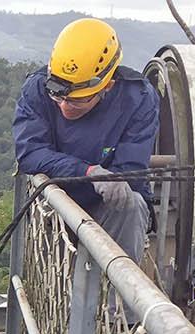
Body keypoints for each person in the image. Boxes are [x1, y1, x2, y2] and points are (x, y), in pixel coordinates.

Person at [12, 17, 159, 262]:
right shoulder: (37, 89)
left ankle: (120, 298)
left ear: (107, 86)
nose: (65, 106)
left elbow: (131, 171)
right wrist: (88, 171)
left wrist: (108, 180)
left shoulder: (138, 98)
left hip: (110, 207)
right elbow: (31, 153)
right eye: (58, 95)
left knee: (130, 204)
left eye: (78, 100)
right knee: (61, 281)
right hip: (56, 207)